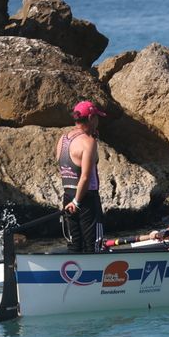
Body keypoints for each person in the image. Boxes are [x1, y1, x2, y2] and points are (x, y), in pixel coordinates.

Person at [58, 100, 106, 252]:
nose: (98, 121)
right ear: (91, 118)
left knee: (74, 243)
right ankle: (95, 273)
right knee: (93, 244)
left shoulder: (63, 139)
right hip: (86, 198)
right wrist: (77, 202)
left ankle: (71, 272)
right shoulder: (88, 142)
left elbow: (65, 167)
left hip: (67, 195)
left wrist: (72, 200)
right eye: (97, 118)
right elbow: (85, 176)